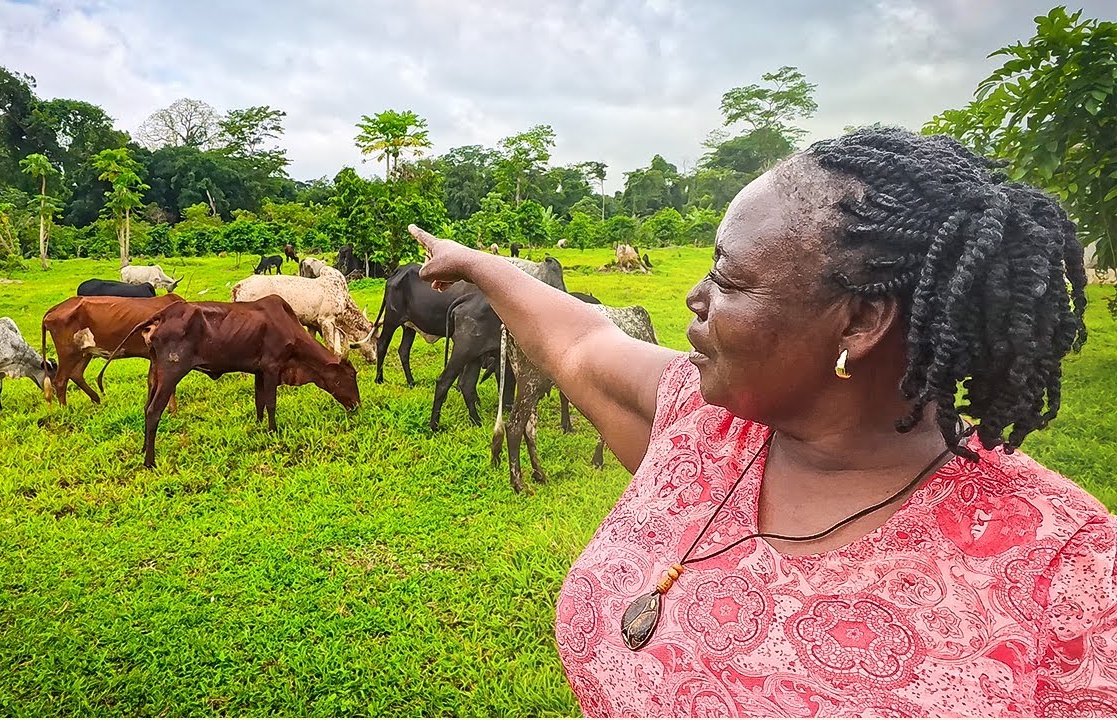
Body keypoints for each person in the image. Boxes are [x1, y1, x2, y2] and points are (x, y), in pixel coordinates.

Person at [409, 127, 1117, 717]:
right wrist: (480, 265)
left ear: (862, 321)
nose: (694, 296)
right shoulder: (703, 422)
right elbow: (583, 343)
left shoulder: (1069, 574)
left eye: (728, 277)